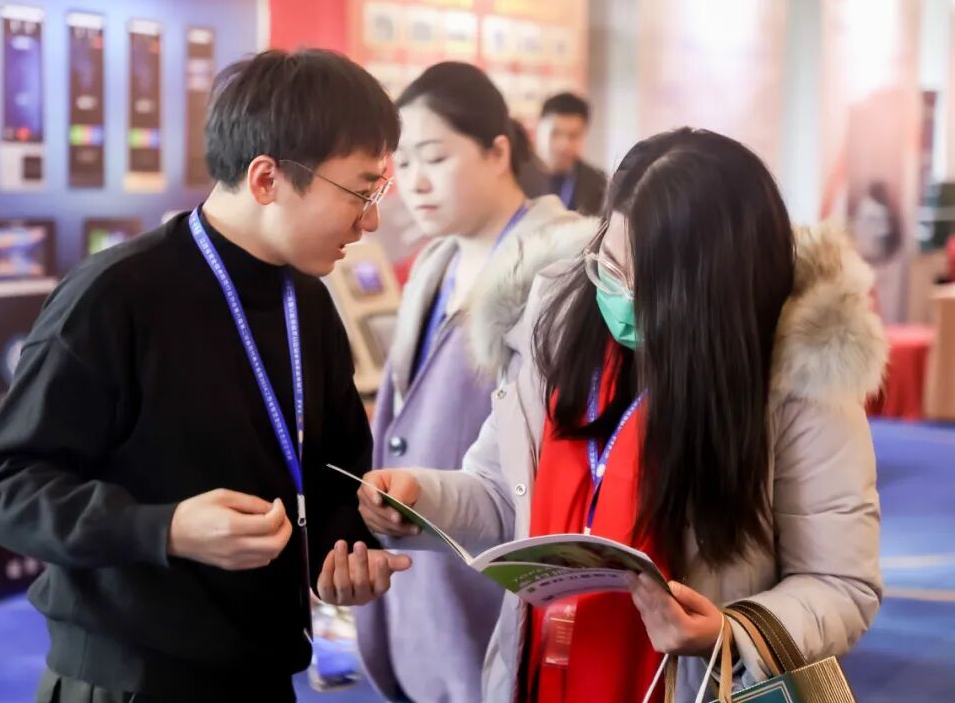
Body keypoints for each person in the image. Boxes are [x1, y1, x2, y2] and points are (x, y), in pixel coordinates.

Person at [358, 128, 885, 702]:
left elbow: (840, 583)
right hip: (539, 673)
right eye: (611, 263)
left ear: (716, 294)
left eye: (651, 286)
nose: (623, 295)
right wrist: (421, 500)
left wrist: (731, 633)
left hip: (682, 684)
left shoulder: (796, 382)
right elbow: (503, 495)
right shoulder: (555, 328)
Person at [0, 49, 412, 703]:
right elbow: (3, 486)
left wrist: (343, 550)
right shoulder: (115, 296)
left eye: (378, 192)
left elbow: (333, 469)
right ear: (266, 178)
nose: (370, 220)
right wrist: (165, 528)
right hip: (126, 679)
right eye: (359, 191)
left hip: (263, 671)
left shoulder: (308, 303)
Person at [353, 62, 590, 703]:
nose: (415, 182)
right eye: (402, 163)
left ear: (497, 152)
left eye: (435, 157)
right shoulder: (437, 261)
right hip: (419, 588)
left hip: (500, 590)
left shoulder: (561, 268)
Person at [536, 92, 607, 215]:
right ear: (538, 130)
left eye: (573, 136)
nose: (564, 145)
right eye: (555, 133)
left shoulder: (598, 184)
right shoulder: (518, 178)